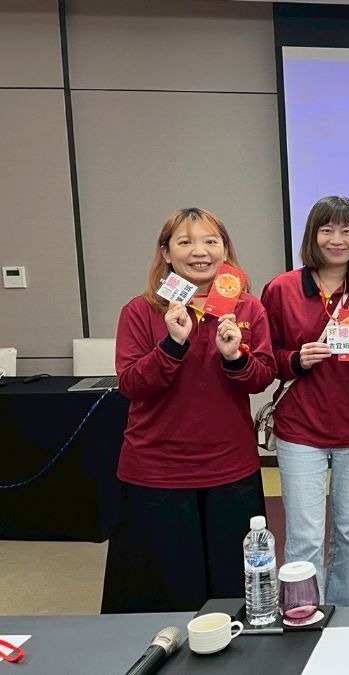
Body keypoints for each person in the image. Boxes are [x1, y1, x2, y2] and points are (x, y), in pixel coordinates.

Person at [102, 207, 276, 613]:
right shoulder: (141, 311)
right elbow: (131, 385)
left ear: (224, 250)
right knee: (161, 595)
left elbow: (262, 377)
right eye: (185, 242)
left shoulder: (248, 308)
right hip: (156, 470)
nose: (200, 251)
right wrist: (172, 344)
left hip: (229, 467)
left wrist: (234, 357)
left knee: (232, 594)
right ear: (165, 253)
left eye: (211, 241)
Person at [260, 196, 349, 607]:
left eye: (346, 230)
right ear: (312, 235)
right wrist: (296, 359)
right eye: (327, 230)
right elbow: (266, 356)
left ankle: (344, 610)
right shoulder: (282, 289)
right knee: (305, 534)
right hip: (301, 427)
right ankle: (304, 613)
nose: (337, 239)